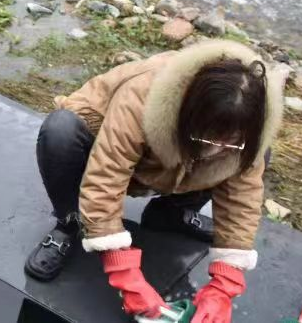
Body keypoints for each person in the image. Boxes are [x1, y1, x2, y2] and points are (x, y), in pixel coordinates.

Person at [23, 40, 285, 323]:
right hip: (107, 155)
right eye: (207, 138)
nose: (214, 151)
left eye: (229, 143)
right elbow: (105, 179)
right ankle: (70, 223)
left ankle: (170, 214)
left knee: (257, 155)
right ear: (188, 112)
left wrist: (224, 285)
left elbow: (241, 200)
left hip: (177, 171)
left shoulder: (248, 128)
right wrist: (125, 275)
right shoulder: (142, 95)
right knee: (61, 130)